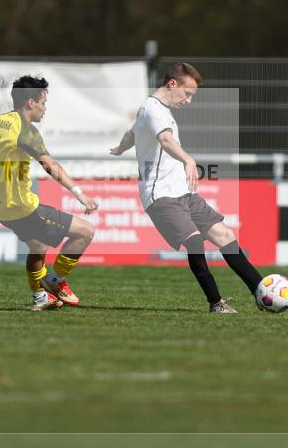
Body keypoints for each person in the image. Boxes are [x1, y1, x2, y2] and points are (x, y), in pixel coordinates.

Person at [109, 62, 265, 313]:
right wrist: (188, 160)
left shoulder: (150, 109)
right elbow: (165, 139)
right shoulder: (154, 109)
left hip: (184, 193)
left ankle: (261, 291)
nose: (189, 101)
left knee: (225, 236)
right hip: (161, 196)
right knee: (195, 242)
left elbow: (132, 133)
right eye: (188, 94)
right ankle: (216, 303)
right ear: (172, 84)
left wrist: (119, 148)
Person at [0, 76, 98, 311]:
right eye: (43, 102)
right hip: (24, 208)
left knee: (38, 247)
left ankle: (40, 299)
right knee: (86, 232)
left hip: (2, 210)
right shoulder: (26, 130)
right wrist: (79, 193)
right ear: (30, 102)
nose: (45, 108)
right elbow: (50, 166)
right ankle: (54, 280)